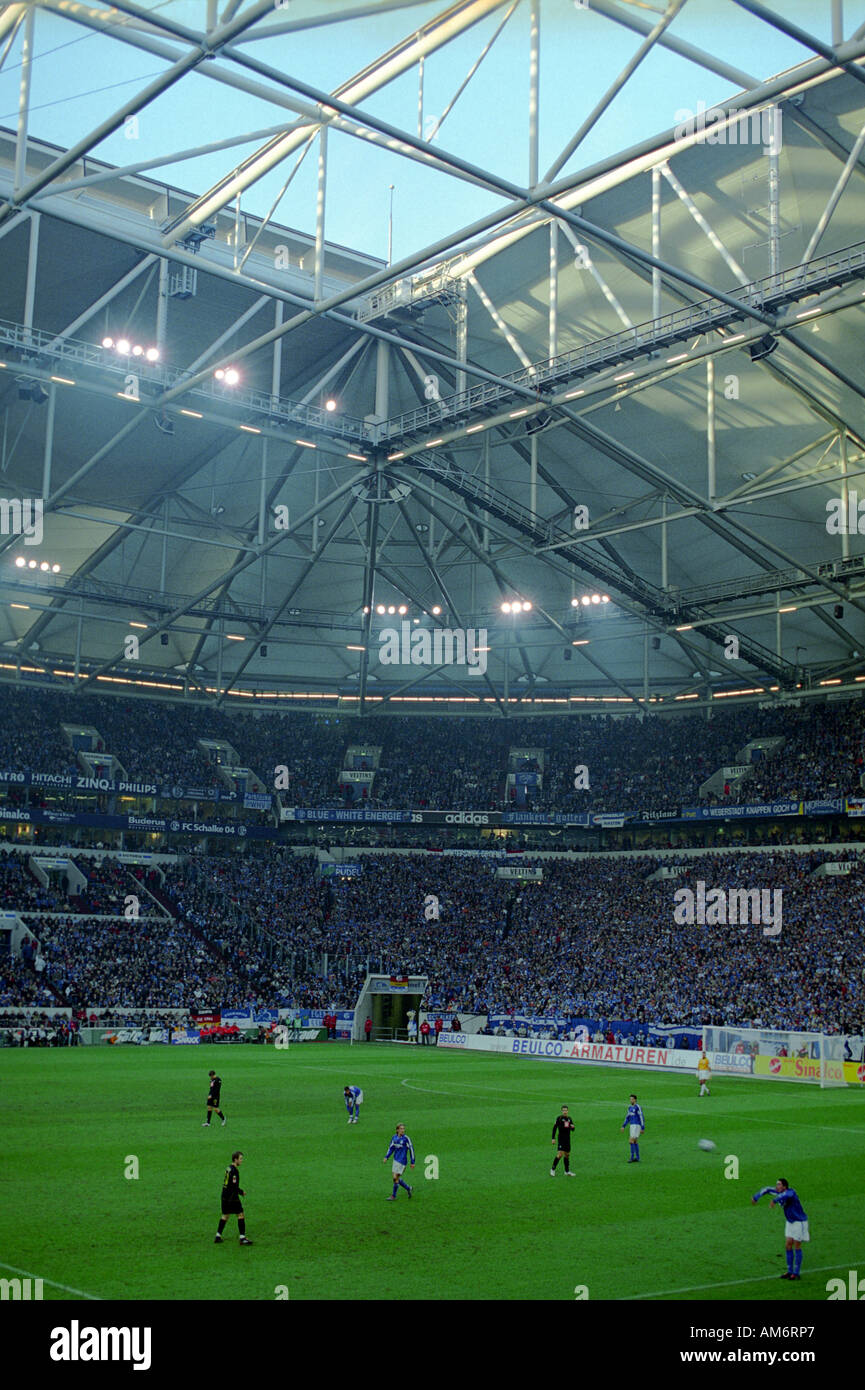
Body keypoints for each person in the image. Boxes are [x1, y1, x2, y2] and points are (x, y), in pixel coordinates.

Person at [752, 1178, 809, 1279]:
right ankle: (789, 1271)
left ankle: (796, 1273)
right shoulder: (778, 1192)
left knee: (797, 1246)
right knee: (788, 1245)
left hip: (799, 1222)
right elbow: (766, 1189)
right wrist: (756, 1197)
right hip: (790, 1222)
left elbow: (786, 1195)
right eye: (776, 1184)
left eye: (779, 1185)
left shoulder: (791, 1192)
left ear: (784, 1186)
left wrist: (775, 1200)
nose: (776, 1186)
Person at [215, 1151, 252, 1244]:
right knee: (240, 1214)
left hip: (224, 1195)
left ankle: (218, 1236)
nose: (241, 1161)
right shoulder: (234, 1171)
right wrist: (241, 1192)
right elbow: (234, 1186)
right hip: (232, 1197)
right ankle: (242, 1238)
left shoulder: (228, 1168)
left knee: (225, 1215)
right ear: (235, 1160)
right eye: (240, 1159)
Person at [383, 1123, 415, 1200]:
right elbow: (391, 1148)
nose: (402, 1130)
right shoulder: (394, 1138)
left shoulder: (406, 1139)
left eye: (403, 1129)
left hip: (402, 1161)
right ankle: (408, 1188)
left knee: (395, 1177)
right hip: (395, 1160)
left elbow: (411, 1150)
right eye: (401, 1129)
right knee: (395, 1179)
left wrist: (412, 1162)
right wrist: (386, 1157)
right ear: (397, 1130)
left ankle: (393, 1196)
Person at [550, 1105, 576, 1177]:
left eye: (566, 1110)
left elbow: (573, 1129)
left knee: (567, 1155)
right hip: (561, 1138)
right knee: (560, 1154)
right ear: (562, 1111)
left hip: (567, 1139)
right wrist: (553, 1138)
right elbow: (554, 1128)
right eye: (563, 1110)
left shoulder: (569, 1119)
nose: (565, 1111)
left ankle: (567, 1171)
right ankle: (552, 1169)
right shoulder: (559, 1118)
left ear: (568, 1111)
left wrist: (572, 1127)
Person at [621, 1093, 645, 1163]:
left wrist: (642, 1127)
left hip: (637, 1125)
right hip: (632, 1126)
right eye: (630, 1099)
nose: (630, 1100)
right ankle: (637, 1157)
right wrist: (623, 1126)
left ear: (635, 1100)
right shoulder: (630, 1108)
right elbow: (627, 1118)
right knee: (635, 1141)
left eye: (632, 1099)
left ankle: (632, 1157)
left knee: (631, 1141)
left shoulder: (638, 1107)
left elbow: (641, 1117)